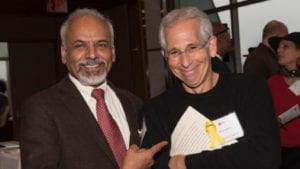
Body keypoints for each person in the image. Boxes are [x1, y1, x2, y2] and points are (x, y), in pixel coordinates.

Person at [20, 8, 166, 169]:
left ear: (113, 52)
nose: (91, 55)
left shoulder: (132, 103)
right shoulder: (41, 109)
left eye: (101, 44)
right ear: (64, 53)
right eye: (80, 46)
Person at [141, 7, 280, 169]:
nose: (185, 62)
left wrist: (185, 162)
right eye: (174, 52)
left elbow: (265, 156)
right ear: (165, 56)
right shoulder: (157, 110)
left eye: (192, 48)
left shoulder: (250, 89)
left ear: (211, 45)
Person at [267, 32, 300, 169]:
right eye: (279, 47)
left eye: (285, 47)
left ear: (299, 53)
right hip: (277, 149)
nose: (279, 50)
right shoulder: (271, 82)